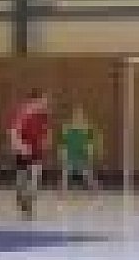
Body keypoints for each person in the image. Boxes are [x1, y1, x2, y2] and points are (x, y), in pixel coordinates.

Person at [9, 90, 51, 220]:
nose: (45, 103)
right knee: (22, 180)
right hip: (23, 151)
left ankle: (29, 204)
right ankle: (22, 198)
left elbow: (45, 131)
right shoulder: (23, 114)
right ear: (35, 101)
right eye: (43, 101)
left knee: (35, 179)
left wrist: (46, 141)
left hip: (36, 152)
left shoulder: (43, 116)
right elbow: (14, 132)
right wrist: (20, 146)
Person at [58, 106, 101, 199]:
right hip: (70, 156)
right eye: (76, 115)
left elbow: (91, 143)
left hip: (83, 156)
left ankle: (93, 191)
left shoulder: (87, 129)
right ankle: (63, 192)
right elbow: (63, 144)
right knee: (66, 173)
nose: (78, 117)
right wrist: (63, 153)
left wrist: (90, 152)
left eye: (80, 115)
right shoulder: (68, 129)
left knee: (87, 173)